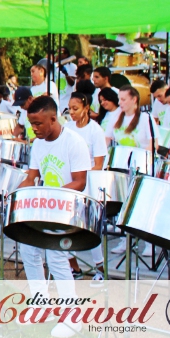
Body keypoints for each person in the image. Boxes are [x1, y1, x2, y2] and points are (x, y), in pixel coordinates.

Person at [15, 96, 90, 337]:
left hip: (69, 209)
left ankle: (72, 316)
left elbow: (80, 182)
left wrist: (51, 194)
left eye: (38, 124)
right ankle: (41, 305)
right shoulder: (38, 144)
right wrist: (18, 192)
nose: (33, 129)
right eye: (31, 124)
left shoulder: (74, 142)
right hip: (45, 207)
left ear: (53, 119)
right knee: (28, 250)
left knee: (56, 257)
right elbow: (31, 176)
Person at [66, 90, 108, 278]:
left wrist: (82, 175)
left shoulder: (95, 130)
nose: (72, 112)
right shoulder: (67, 128)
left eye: (75, 108)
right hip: (71, 181)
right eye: (69, 109)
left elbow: (98, 164)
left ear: (86, 108)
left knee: (90, 228)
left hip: (90, 183)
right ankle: (73, 267)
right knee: (66, 226)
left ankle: (100, 270)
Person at [106, 85, 157, 150]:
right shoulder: (115, 117)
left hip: (141, 157)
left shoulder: (146, 118)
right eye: (119, 99)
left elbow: (154, 144)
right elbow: (106, 140)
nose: (119, 103)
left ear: (134, 99)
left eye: (123, 100)